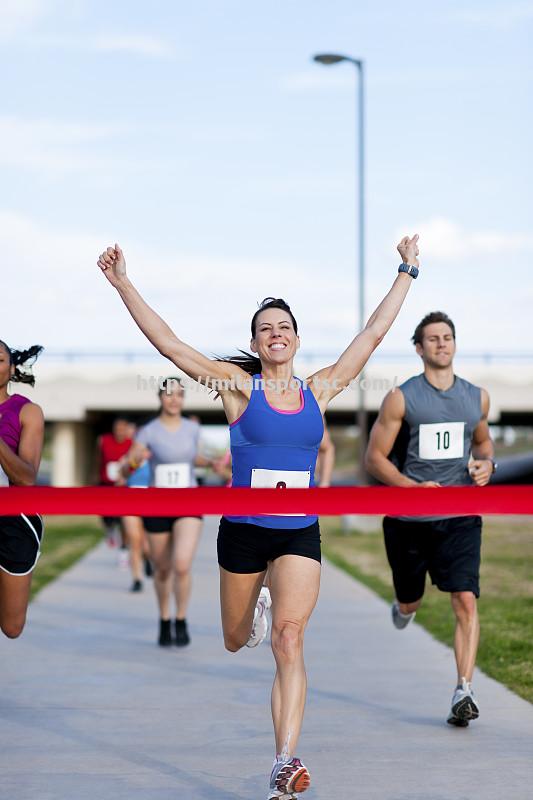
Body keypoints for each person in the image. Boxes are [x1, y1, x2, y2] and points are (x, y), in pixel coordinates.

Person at [97, 235, 421, 798]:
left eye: (284, 326)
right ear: (254, 341)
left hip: (298, 530)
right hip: (243, 532)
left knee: (289, 640)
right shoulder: (237, 390)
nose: (276, 334)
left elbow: (370, 336)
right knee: (234, 637)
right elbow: (173, 348)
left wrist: (406, 271)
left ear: (296, 338)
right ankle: (258, 605)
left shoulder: (319, 388)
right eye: (265, 328)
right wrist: (124, 284)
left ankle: (283, 761)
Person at [364, 311, 495, 728]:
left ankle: (463, 689)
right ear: (419, 348)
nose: (441, 344)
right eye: (432, 339)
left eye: (447, 337)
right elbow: (373, 458)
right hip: (408, 519)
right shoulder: (402, 398)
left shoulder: (477, 397)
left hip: (459, 516)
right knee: (410, 601)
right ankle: (404, 605)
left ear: (454, 344)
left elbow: (484, 441)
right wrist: (408, 487)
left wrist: (486, 465)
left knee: (465, 599)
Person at [125, 378, 209, 647]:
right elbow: (129, 466)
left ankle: (181, 618)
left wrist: (214, 463)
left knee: (182, 565)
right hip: (158, 503)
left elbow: (195, 458)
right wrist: (136, 459)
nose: (174, 399)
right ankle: (164, 618)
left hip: (188, 502)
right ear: (160, 397)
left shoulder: (192, 428)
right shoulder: (148, 431)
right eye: (169, 394)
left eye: (179, 395)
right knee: (162, 569)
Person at [0, 340, 45, 639]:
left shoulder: (27, 411)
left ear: (11, 368)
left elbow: (26, 478)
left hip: (14, 520)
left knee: (12, 626)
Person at [96, 416, 133, 565]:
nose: (120, 432)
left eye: (123, 429)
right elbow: (98, 460)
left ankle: (124, 549)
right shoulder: (103, 440)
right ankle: (110, 531)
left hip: (124, 488)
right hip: (106, 485)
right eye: (117, 428)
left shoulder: (132, 444)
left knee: (124, 520)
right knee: (106, 517)